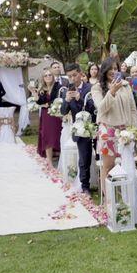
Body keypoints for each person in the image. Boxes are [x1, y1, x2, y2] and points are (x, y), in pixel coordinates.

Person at [91, 58, 137, 182]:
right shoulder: (97, 88)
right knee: (108, 167)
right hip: (108, 131)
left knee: (125, 166)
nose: (113, 71)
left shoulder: (126, 85)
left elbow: (133, 109)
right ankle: (108, 200)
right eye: (110, 69)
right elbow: (101, 108)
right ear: (105, 71)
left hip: (126, 131)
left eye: (115, 68)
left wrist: (135, 129)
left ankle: (122, 197)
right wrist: (111, 92)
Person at [61, 63, 96, 194]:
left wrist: (80, 99)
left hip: (94, 127)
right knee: (83, 159)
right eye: (69, 76)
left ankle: (102, 183)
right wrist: (67, 100)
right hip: (80, 130)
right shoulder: (66, 90)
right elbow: (63, 111)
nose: (73, 79)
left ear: (81, 74)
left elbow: (93, 109)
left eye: (74, 75)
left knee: (99, 156)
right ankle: (85, 186)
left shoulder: (90, 88)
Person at [31, 69, 62, 167]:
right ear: (43, 78)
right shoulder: (42, 89)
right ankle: (49, 161)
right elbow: (40, 102)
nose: (48, 77)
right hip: (46, 116)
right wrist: (34, 93)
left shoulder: (58, 86)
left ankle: (60, 158)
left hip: (57, 115)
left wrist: (47, 104)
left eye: (50, 75)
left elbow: (58, 99)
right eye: (46, 75)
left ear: (53, 76)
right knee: (47, 136)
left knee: (57, 135)